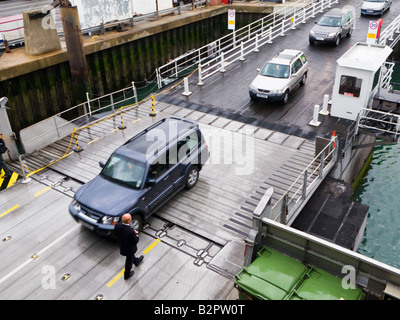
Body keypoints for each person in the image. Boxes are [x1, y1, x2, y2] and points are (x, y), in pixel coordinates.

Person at [114, 213, 144, 280]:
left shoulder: (117, 225)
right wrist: (136, 234)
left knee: (131, 257)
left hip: (122, 246)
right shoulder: (130, 231)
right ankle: (127, 275)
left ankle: (136, 261)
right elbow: (136, 240)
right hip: (129, 249)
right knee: (129, 261)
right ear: (128, 221)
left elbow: (116, 234)